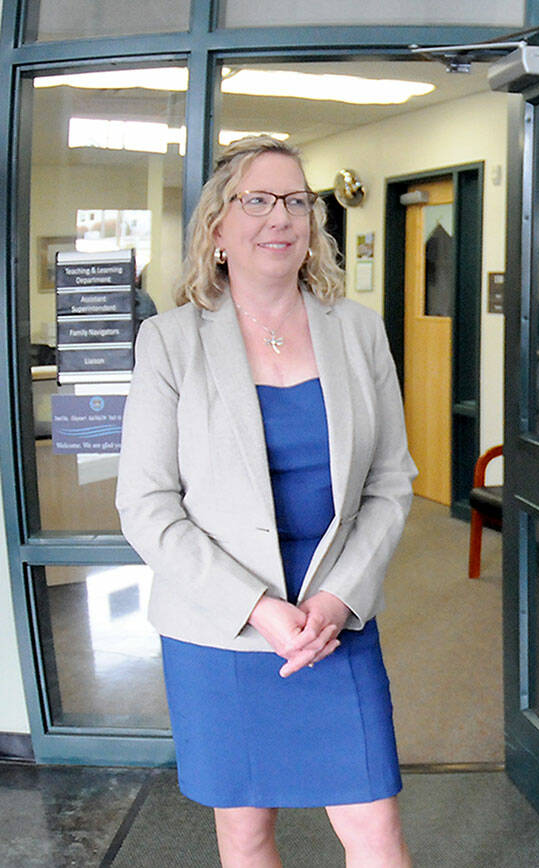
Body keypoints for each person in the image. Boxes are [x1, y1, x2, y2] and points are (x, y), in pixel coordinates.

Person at [116, 135, 417, 867]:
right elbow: (147, 505)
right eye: (257, 200)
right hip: (220, 631)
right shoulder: (170, 341)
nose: (280, 217)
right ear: (219, 227)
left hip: (332, 622)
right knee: (246, 833)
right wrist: (257, 607)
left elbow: (390, 481)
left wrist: (340, 600)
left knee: (375, 827)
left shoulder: (359, 331)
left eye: (296, 200)